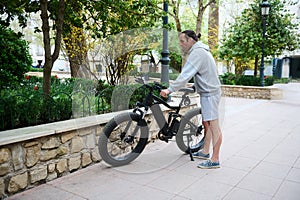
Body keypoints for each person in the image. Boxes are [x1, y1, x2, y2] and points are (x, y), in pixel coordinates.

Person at [160, 30, 222, 169]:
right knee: (206, 124)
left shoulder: (197, 53)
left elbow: (185, 75)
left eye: (182, 41)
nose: (181, 44)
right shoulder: (201, 51)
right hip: (208, 91)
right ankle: (206, 152)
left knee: (214, 126)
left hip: (210, 94)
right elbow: (206, 72)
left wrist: (169, 90)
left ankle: (215, 159)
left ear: (191, 41)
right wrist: (197, 85)